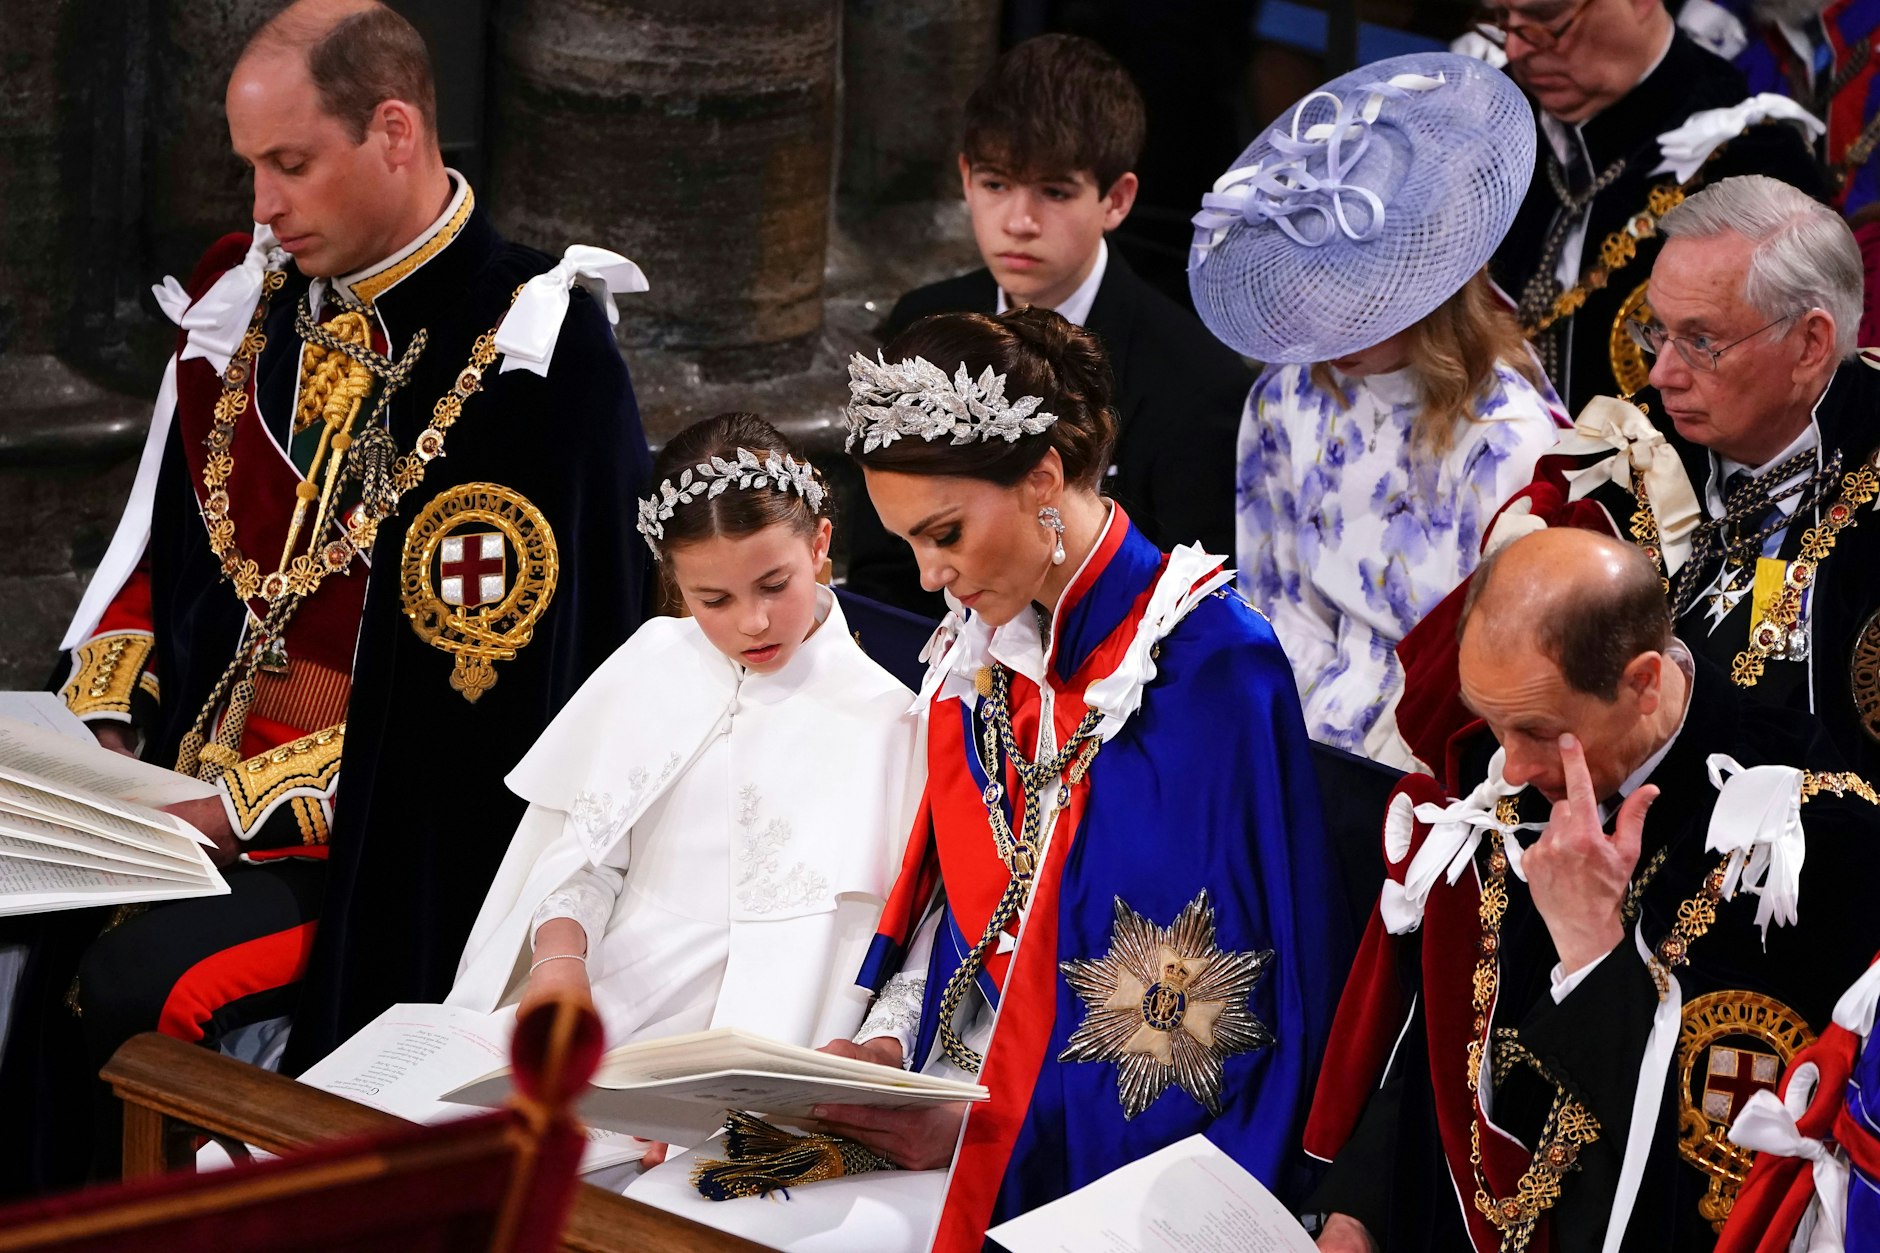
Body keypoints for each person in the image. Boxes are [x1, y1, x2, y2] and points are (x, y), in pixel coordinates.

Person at [0, 0, 650, 1189]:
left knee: (139, 980)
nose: (261, 205)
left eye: (289, 164)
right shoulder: (254, 302)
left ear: (392, 131)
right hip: (170, 794)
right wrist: (107, 729)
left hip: (369, 840)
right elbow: (167, 550)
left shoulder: (535, 359)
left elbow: (487, 718)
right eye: (249, 166)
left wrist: (237, 808)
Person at [654, 307, 1345, 1252]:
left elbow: (1202, 1016)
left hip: (1092, 1146)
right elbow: (964, 909)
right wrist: (894, 1043)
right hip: (957, 1089)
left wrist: (983, 1118)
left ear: (1043, 480)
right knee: (683, 1197)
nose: (928, 576)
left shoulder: (1208, 667)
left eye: (944, 533)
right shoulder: (978, 657)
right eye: (908, 542)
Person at [1306, 527, 1880, 1250]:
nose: (1510, 766)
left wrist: (1593, 950)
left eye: (1536, 730)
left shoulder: (1810, 844)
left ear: (1643, 683)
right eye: (1491, 721)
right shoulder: (1516, 759)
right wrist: (1359, 1213)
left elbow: (1720, 1181)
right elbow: (1449, 1030)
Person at [447, 412, 921, 1110]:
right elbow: (586, 857)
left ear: (820, 544)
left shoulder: (891, 720)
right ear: (674, 580)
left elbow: (914, 933)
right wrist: (559, 961)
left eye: (774, 584)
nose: (752, 622)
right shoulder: (652, 661)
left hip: (777, 1036)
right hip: (609, 1000)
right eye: (713, 599)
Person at [1401, 175, 1880, 786]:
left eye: (1701, 341)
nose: (1661, 374)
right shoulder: (1625, 459)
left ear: (1811, 344)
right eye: (1658, 331)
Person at [1188, 52, 1566, 770]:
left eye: (1357, 287)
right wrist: (1286, 744)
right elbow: (1275, 603)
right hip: (1297, 727)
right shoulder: (1286, 393)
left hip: (1442, 749)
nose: (1326, 322)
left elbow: (1495, 665)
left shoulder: (1507, 439)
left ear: (1429, 280)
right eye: (1313, 281)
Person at [843, 34, 1253, 617]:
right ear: (965, 178)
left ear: (1116, 199)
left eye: (1055, 192)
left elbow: (1196, 605)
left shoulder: (1196, 380)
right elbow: (885, 573)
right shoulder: (923, 323)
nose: (1019, 221)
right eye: (996, 184)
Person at [1480, 0, 1826, 411]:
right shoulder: (1482, 123)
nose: (1516, 49)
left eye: (1546, 19)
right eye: (1501, 19)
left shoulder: (1753, 159)